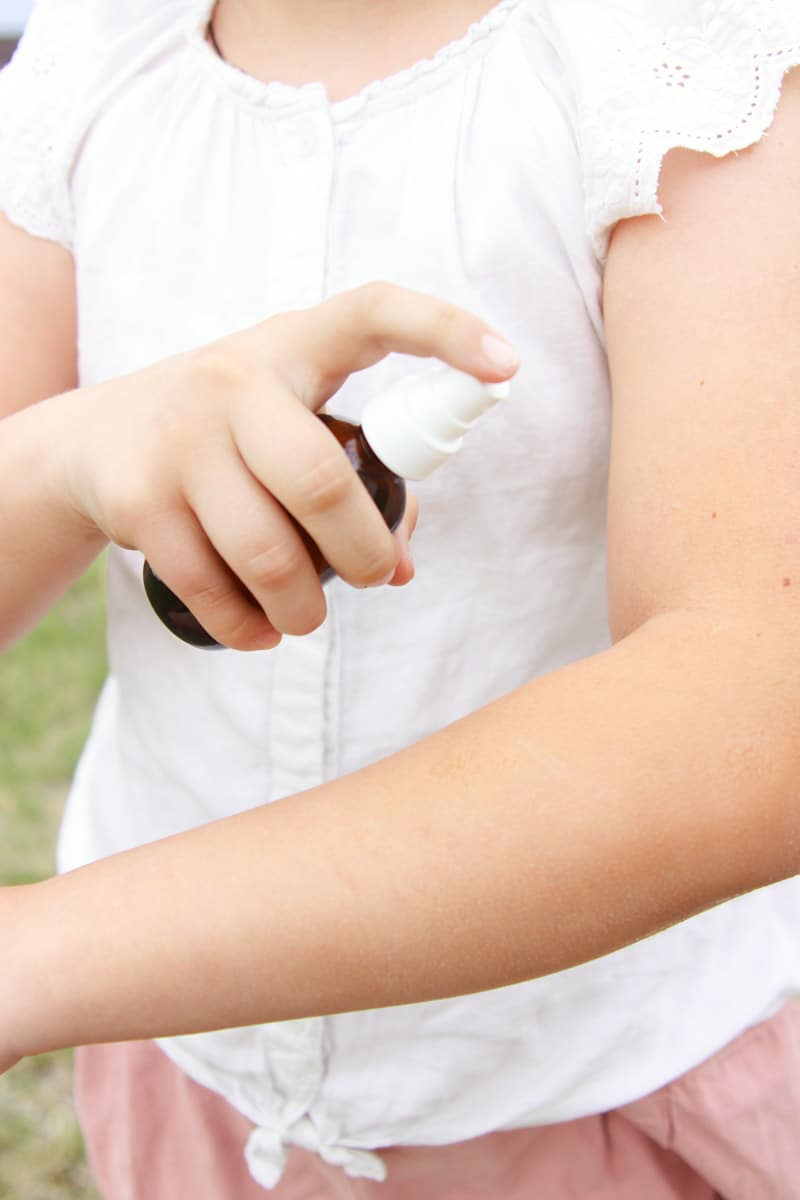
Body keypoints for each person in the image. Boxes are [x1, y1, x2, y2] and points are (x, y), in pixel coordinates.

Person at [1, 0, 800, 1196]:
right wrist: (64, 459)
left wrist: (34, 956)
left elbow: (747, 695)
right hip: (184, 1084)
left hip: (582, 1095)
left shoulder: (679, 58)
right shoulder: (94, 51)